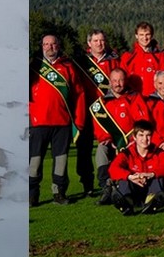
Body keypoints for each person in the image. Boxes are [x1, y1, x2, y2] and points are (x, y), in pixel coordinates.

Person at [29, 35, 88, 206]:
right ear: (41, 46)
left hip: (62, 123)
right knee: (34, 161)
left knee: (61, 161)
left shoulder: (68, 67)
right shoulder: (34, 66)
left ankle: (59, 192)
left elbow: (79, 95)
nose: (50, 47)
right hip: (38, 122)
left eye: (53, 44)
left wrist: (79, 121)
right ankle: (32, 194)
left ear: (59, 45)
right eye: (46, 44)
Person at [91, 68, 151, 203]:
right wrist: (105, 138)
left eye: (121, 80)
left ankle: (125, 189)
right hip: (111, 142)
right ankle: (106, 186)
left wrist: (133, 140)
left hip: (132, 143)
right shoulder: (103, 102)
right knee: (101, 149)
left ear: (126, 81)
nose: (118, 84)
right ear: (110, 82)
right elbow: (98, 125)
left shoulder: (135, 97)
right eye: (114, 81)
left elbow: (143, 122)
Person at [74, 30, 120, 196]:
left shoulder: (114, 60)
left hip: (108, 113)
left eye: (102, 40)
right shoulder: (82, 62)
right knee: (84, 150)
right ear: (89, 43)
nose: (99, 44)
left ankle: (113, 181)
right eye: (95, 41)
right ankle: (87, 184)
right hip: (87, 111)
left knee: (111, 147)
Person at [107, 120, 164, 215]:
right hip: (134, 187)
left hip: (150, 186)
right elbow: (113, 168)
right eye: (141, 135)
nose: (145, 139)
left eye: (148, 135)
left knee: (159, 178)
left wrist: (151, 174)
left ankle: (151, 202)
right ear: (134, 137)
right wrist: (131, 176)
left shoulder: (158, 152)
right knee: (123, 179)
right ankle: (127, 202)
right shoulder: (127, 153)